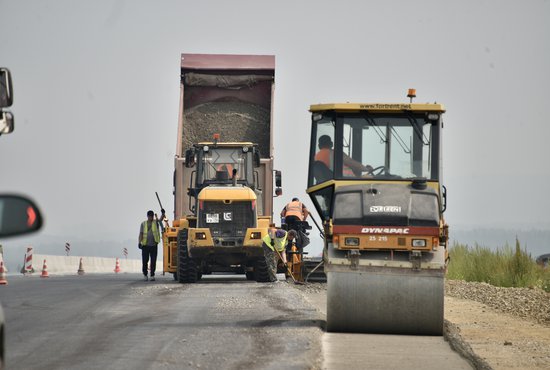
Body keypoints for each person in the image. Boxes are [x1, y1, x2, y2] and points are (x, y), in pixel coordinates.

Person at [138, 210, 162, 281]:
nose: (151, 218)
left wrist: (163, 214)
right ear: (148, 216)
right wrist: (139, 242)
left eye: (152, 216)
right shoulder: (143, 224)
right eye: (150, 216)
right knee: (145, 261)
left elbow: (160, 220)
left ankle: (152, 275)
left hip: (154, 245)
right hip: (145, 246)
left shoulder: (155, 222)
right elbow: (141, 234)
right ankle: (145, 274)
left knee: (153, 261)